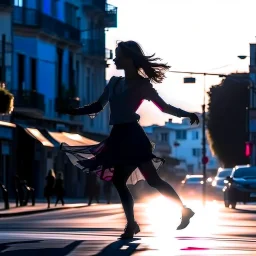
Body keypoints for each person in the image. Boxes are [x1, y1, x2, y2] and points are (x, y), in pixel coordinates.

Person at [59, 40, 200, 239]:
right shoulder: (114, 82)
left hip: (133, 138)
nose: (115, 58)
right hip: (118, 136)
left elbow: (164, 107)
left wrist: (187, 114)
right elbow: (98, 106)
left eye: (118, 55)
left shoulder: (143, 85)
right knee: (135, 180)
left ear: (129, 59)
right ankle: (142, 222)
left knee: (149, 181)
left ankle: (135, 224)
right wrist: (73, 111)